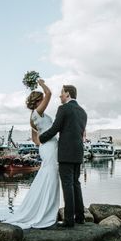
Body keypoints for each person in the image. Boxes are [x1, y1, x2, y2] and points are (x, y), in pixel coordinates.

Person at [5, 79, 60, 229]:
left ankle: (45, 209)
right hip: (49, 148)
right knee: (50, 176)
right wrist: (41, 82)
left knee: (48, 176)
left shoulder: (34, 118)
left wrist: (46, 143)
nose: (44, 101)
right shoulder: (37, 113)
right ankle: (45, 212)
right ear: (37, 102)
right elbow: (49, 93)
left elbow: (36, 141)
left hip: (47, 147)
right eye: (41, 100)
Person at [38, 84, 87, 227]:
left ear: (68, 94)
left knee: (67, 185)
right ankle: (80, 217)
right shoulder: (83, 112)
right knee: (76, 183)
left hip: (66, 152)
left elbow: (55, 128)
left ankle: (69, 220)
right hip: (78, 151)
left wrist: (41, 139)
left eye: (61, 93)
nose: (60, 96)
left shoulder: (64, 108)